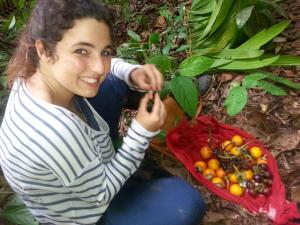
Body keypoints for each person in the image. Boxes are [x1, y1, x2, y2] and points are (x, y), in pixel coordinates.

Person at [0, 0, 206, 224]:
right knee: (187, 204)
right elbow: (102, 194)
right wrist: (139, 134)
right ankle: (140, 133)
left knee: (108, 82)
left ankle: (144, 104)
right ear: (44, 50)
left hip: (81, 159)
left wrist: (132, 73)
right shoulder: (53, 134)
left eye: (105, 51)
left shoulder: (34, 72)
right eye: (81, 51)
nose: (99, 67)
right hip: (89, 211)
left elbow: (104, 66)